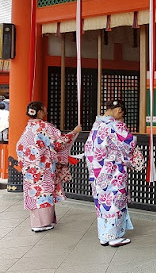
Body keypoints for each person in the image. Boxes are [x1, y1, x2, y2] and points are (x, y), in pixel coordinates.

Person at [16, 101, 81, 232]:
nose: (45, 112)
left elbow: (20, 146)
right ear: (39, 112)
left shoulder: (28, 127)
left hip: (30, 167)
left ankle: (37, 222)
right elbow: (58, 143)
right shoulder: (44, 126)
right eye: (44, 110)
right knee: (44, 192)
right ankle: (42, 224)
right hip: (43, 166)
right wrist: (74, 132)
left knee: (34, 193)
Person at [85, 99, 136, 247]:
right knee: (115, 201)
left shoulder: (96, 125)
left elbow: (88, 147)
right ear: (119, 111)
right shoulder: (115, 125)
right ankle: (113, 236)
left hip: (97, 171)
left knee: (102, 202)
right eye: (122, 115)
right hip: (113, 171)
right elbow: (129, 143)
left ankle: (103, 235)